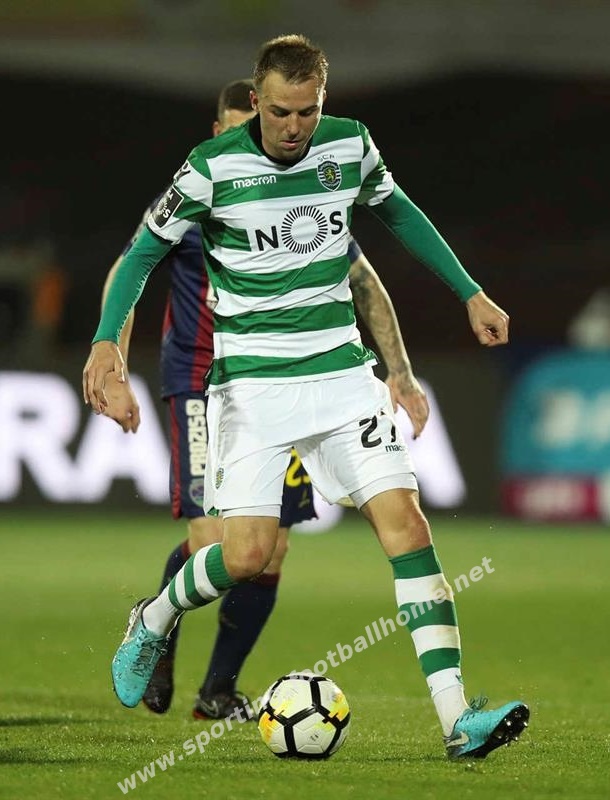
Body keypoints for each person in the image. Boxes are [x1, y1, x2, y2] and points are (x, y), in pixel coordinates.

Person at [83, 35, 529, 759]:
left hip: (342, 378)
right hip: (253, 389)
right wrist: (108, 341)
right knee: (246, 556)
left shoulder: (349, 146)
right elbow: (142, 253)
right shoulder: (210, 167)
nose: (294, 128)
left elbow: (401, 214)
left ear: (324, 101)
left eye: (308, 112)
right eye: (281, 112)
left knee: (409, 529)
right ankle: (156, 616)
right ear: (257, 100)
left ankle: (457, 721)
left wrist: (469, 292)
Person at [101, 78, 430, 720]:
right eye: (231, 133)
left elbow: (361, 279)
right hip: (204, 378)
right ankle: (157, 625)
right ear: (218, 130)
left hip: (293, 380)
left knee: (270, 550)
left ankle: (217, 690)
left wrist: (399, 369)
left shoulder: (296, 190)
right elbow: (130, 268)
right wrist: (112, 359)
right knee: (215, 538)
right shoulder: (200, 189)